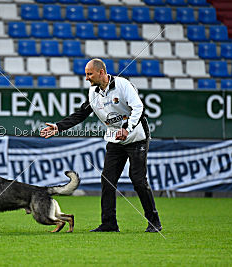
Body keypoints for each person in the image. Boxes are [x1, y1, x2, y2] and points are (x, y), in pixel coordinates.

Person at [40, 58, 162, 233]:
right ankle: (109, 224)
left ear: (101, 72)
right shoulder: (93, 93)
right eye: (86, 74)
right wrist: (58, 127)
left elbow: (138, 108)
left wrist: (127, 129)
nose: (87, 78)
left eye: (90, 74)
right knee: (107, 180)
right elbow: (81, 114)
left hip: (136, 138)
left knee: (138, 180)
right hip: (114, 140)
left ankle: (154, 222)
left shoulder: (123, 85)